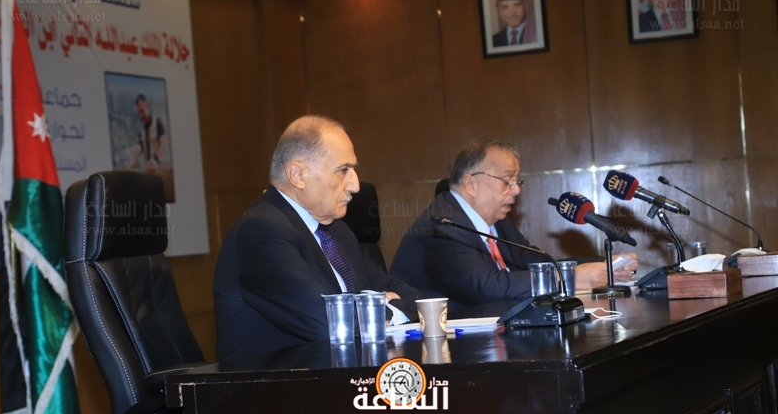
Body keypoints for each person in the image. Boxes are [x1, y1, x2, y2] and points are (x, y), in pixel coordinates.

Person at [213, 115, 419, 362]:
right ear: (298, 175)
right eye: (343, 170)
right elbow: (328, 323)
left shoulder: (339, 233)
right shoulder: (261, 231)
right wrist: (383, 306)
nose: (355, 185)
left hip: (344, 372)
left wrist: (370, 309)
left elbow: (413, 297)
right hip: (278, 382)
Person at [390, 139, 638, 318]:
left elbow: (540, 262)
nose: (516, 190)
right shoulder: (441, 225)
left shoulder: (496, 220)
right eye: (507, 181)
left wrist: (601, 266)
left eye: (517, 181)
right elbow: (487, 287)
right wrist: (574, 277)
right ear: (471, 184)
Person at [126, 94, 165, 173]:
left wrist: (156, 160)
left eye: (142, 111)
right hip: (149, 171)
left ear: (147, 106)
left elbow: (164, 143)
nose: (141, 115)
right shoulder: (142, 130)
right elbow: (140, 147)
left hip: (161, 169)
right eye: (139, 113)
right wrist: (132, 160)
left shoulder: (157, 122)